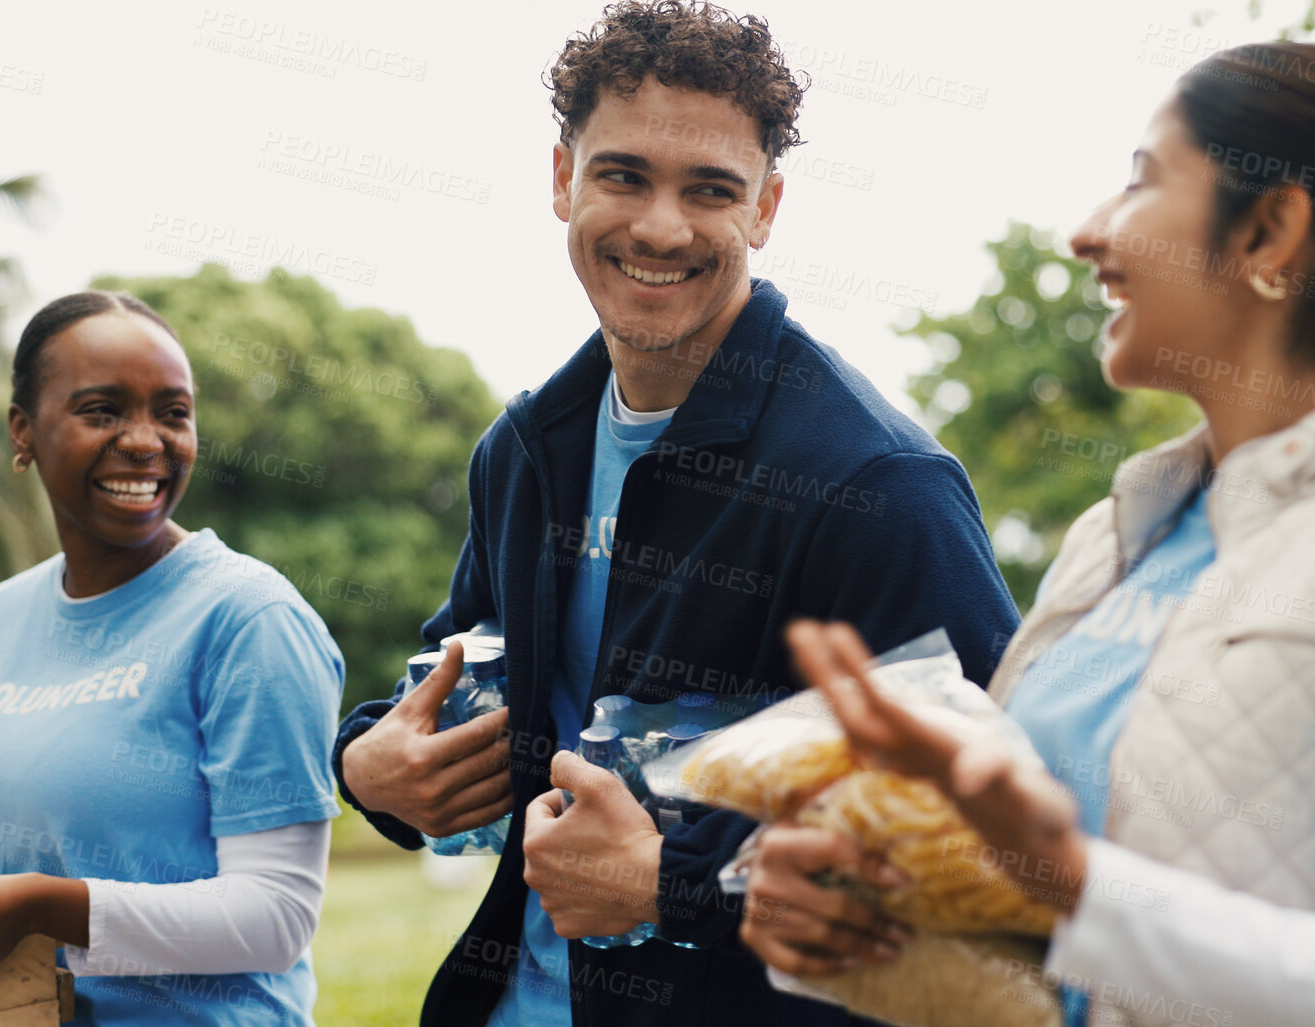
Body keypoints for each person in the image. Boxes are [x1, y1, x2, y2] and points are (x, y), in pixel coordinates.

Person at [740, 41, 1315, 1027]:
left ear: (1269, 232)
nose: (1088, 234)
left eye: (1141, 181)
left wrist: (1075, 882)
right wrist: (849, 901)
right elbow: (1034, 934)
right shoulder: (1115, 537)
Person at [331, 3, 1018, 1025]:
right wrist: (369, 762)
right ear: (561, 178)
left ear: (766, 207)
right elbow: (463, 663)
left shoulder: (879, 482)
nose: (661, 226)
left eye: (710, 190)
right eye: (623, 175)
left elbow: (999, 828)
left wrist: (676, 883)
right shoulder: (522, 450)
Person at [0, 291, 344, 1025]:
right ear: (23, 432)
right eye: (103, 410)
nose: (145, 439)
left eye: (173, 412)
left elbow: (275, 916)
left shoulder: (249, 619)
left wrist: (39, 906)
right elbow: (3, 877)